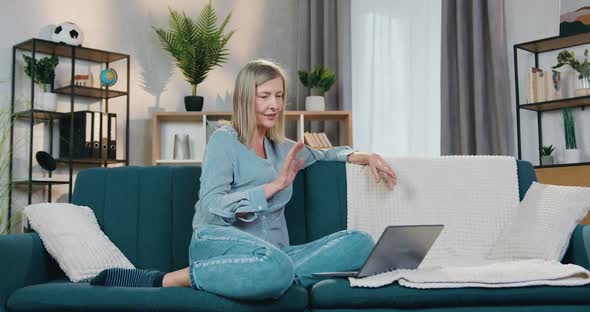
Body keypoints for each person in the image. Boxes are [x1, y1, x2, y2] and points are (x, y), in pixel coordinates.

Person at [91, 59, 397, 300]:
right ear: (245, 98)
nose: (274, 104)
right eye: (264, 96)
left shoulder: (283, 149)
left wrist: (365, 155)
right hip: (218, 244)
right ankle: (170, 278)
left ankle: (267, 276)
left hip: (276, 254)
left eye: (278, 96)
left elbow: (326, 154)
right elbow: (211, 208)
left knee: (360, 243)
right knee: (278, 266)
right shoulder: (224, 141)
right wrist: (270, 189)